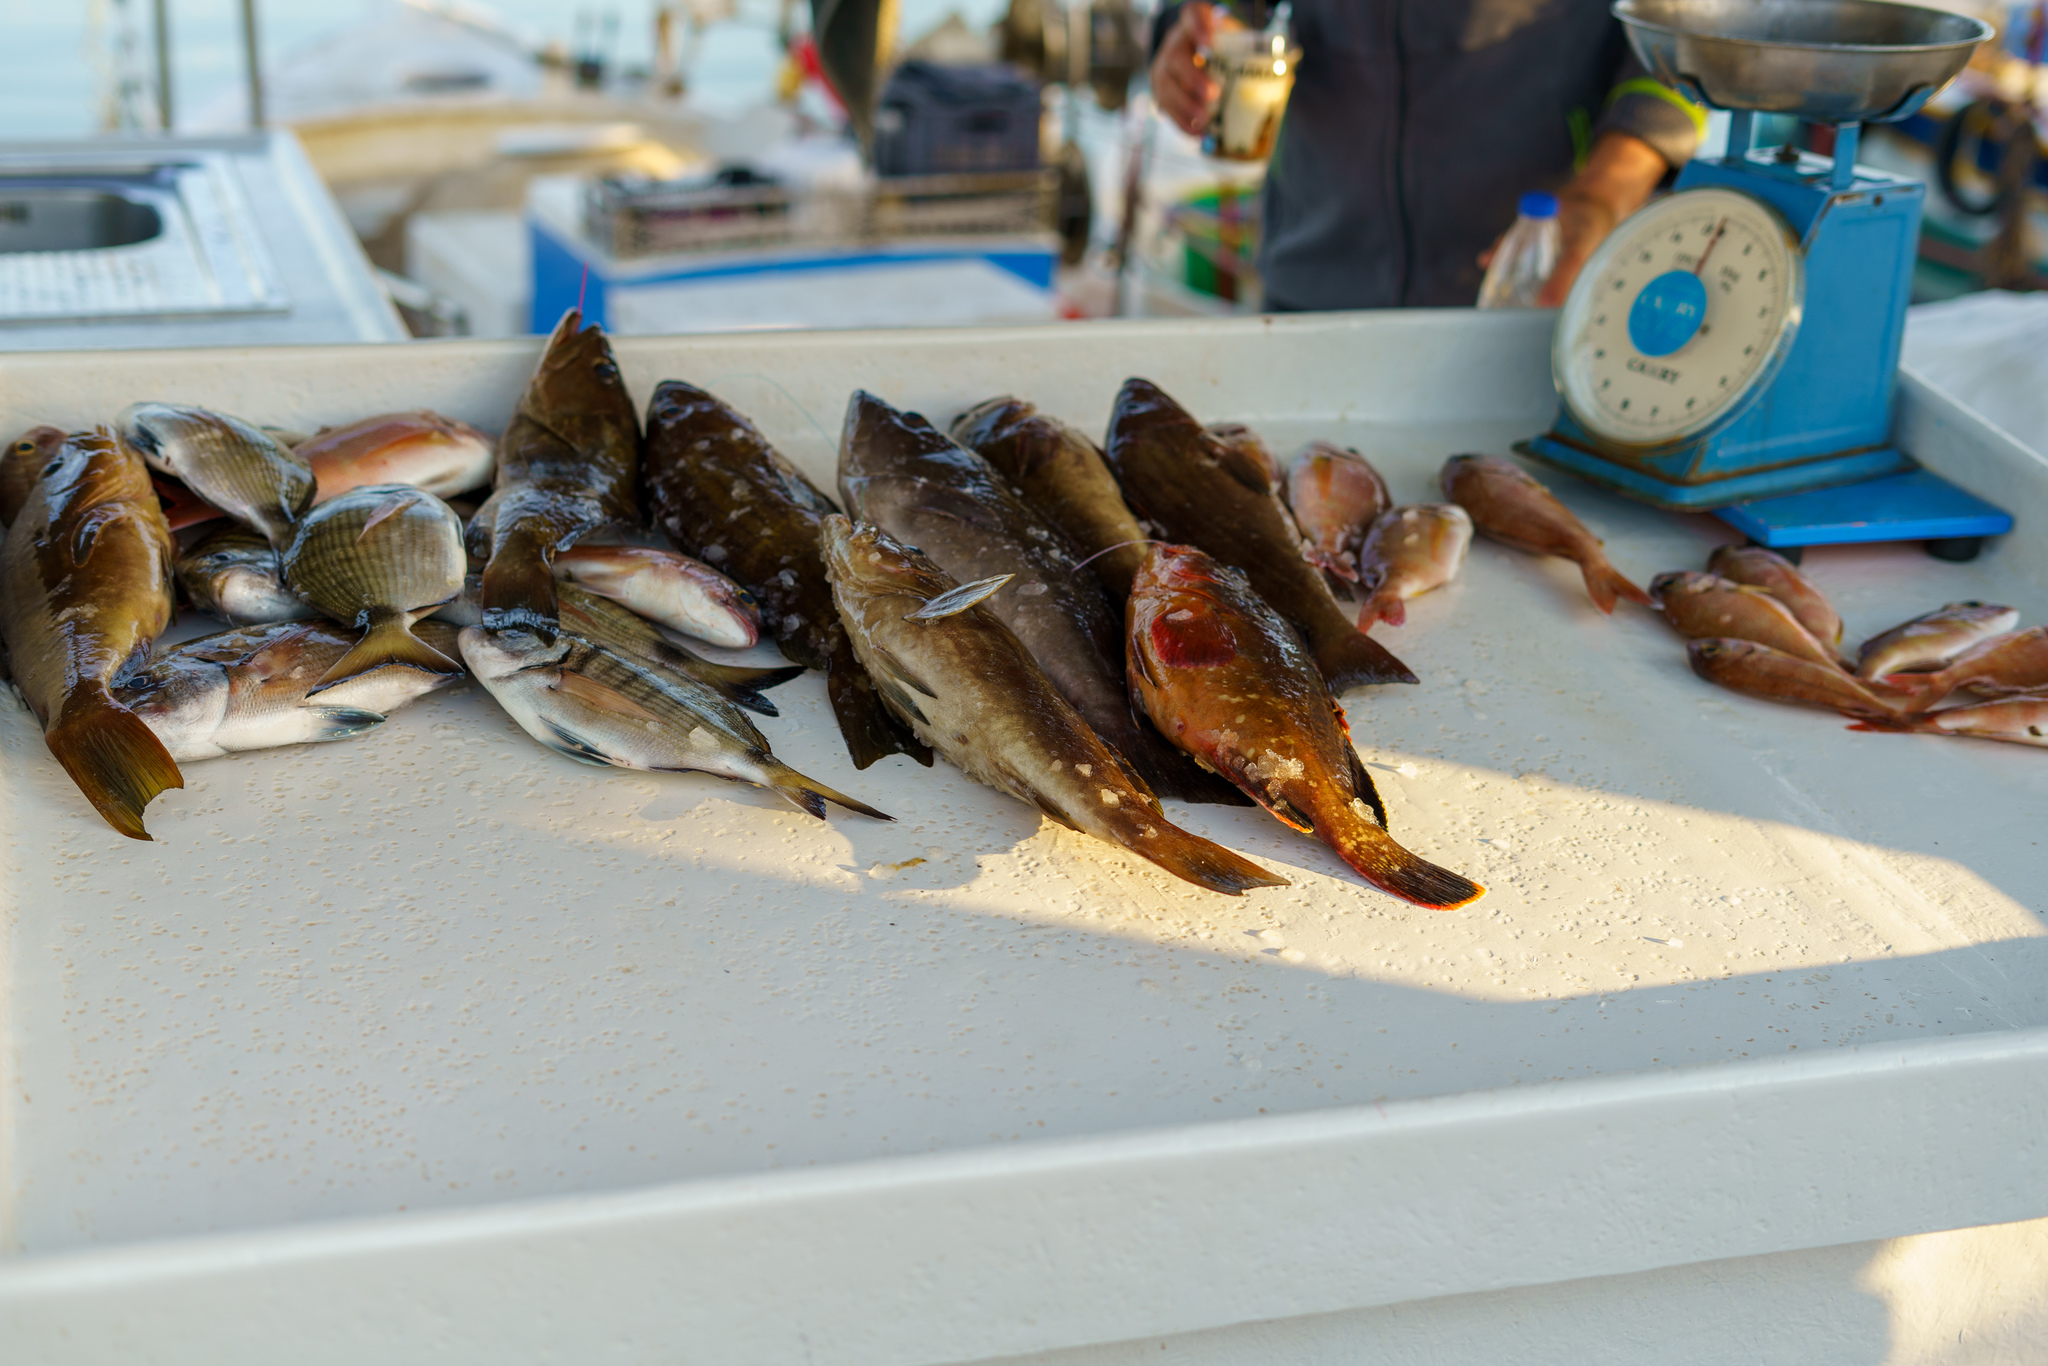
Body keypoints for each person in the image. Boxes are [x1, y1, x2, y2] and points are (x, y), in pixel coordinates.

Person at [1149, 0, 1704, 309]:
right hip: (1307, 289)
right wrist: (1193, 33)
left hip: (1518, 298)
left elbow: (1686, 41)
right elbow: (1222, 10)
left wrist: (1604, 191)